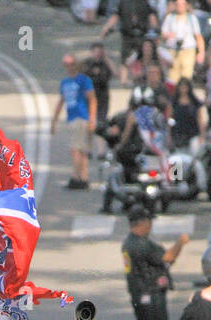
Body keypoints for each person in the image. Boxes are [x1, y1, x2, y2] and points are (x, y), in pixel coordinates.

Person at [122, 204, 189, 320]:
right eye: (149, 221)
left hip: (139, 296)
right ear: (141, 223)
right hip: (151, 296)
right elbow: (167, 257)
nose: (151, 225)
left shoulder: (129, 243)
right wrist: (180, 243)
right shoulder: (141, 245)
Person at [51, 54, 96, 189]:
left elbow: (92, 99)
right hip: (71, 118)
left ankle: (76, 178)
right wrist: (54, 121)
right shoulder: (65, 82)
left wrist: (92, 118)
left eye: (71, 64)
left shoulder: (83, 80)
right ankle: (83, 177)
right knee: (80, 149)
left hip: (81, 117)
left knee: (76, 149)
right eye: (66, 65)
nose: (69, 67)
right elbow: (61, 101)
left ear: (76, 65)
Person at [100, 0, 159, 67]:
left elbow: (151, 15)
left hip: (142, 35)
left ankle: (143, 74)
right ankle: (124, 77)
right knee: (125, 61)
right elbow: (115, 16)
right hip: (127, 35)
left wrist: (156, 29)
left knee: (143, 57)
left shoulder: (145, 2)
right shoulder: (122, 2)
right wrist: (106, 28)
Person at [160, 0, 205, 86]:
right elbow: (163, 34)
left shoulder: (191, 18)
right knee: (172, 76)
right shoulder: (170, 17)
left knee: (186, 76)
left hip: (188, 50)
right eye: (178, 4)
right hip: (173, 50)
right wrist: (168, 36)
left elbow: (198, 36)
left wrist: (201, 52)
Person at [82, 40, 114, 130]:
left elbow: (115, 73)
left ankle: (100, 142)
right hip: (90, 96)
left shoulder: (105, 64)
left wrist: (106, 59)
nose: (98, 54)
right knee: (88, 122)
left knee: (101, 123)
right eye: (96, 52)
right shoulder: (87, 63)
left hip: (103, 96)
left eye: (100, 52)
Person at [169, 78, 205, 150]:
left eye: (185, 86)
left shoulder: (194, 102)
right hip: (178, 133)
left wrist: (202, 135)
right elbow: (170, 119)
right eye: (181, 86)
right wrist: (169, 135)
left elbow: (200, 119)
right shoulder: (174, 102)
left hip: (193, 133)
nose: (183, 89)